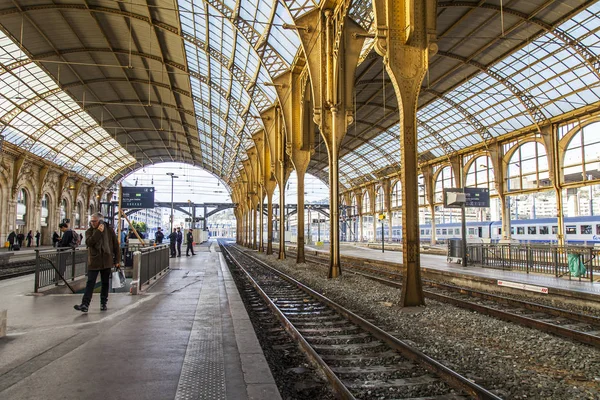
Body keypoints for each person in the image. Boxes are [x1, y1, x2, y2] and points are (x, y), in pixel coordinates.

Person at [74, 213, 120, 313]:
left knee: (105, 283)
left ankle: (103, 303)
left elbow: (116, 245)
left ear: (100, 221)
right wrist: (98, 232)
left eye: (94, 221)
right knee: (90, 283)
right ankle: (85, 304)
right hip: (94, 261)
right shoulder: (89, 231)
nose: (92, 222)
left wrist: (117, 260)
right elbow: (89, 243)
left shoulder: (109, 230)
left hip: (107, 260)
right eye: (91, 221)